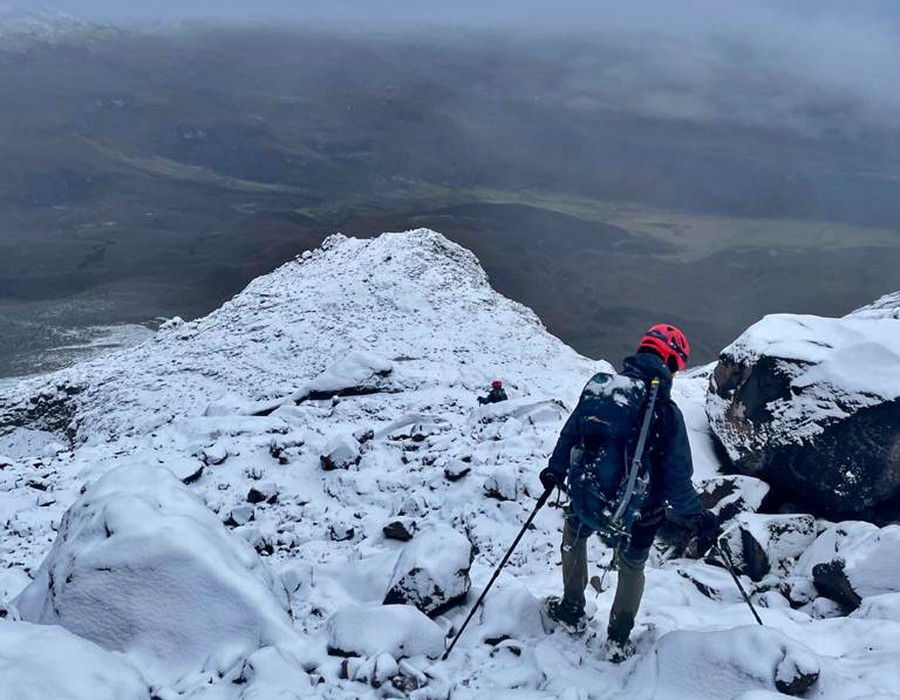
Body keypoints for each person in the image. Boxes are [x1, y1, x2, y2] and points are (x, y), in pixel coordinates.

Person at [539, 323, 719, 662]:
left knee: (574, 536)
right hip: (642, 512)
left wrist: (556, 470)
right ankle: (618, 639)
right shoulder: (666, 413)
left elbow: (571, 433)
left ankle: (572, 609)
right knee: (632, 568)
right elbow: (677, 479)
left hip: (589, 496)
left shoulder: (603, 390)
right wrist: (697, 517)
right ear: (670, 362)